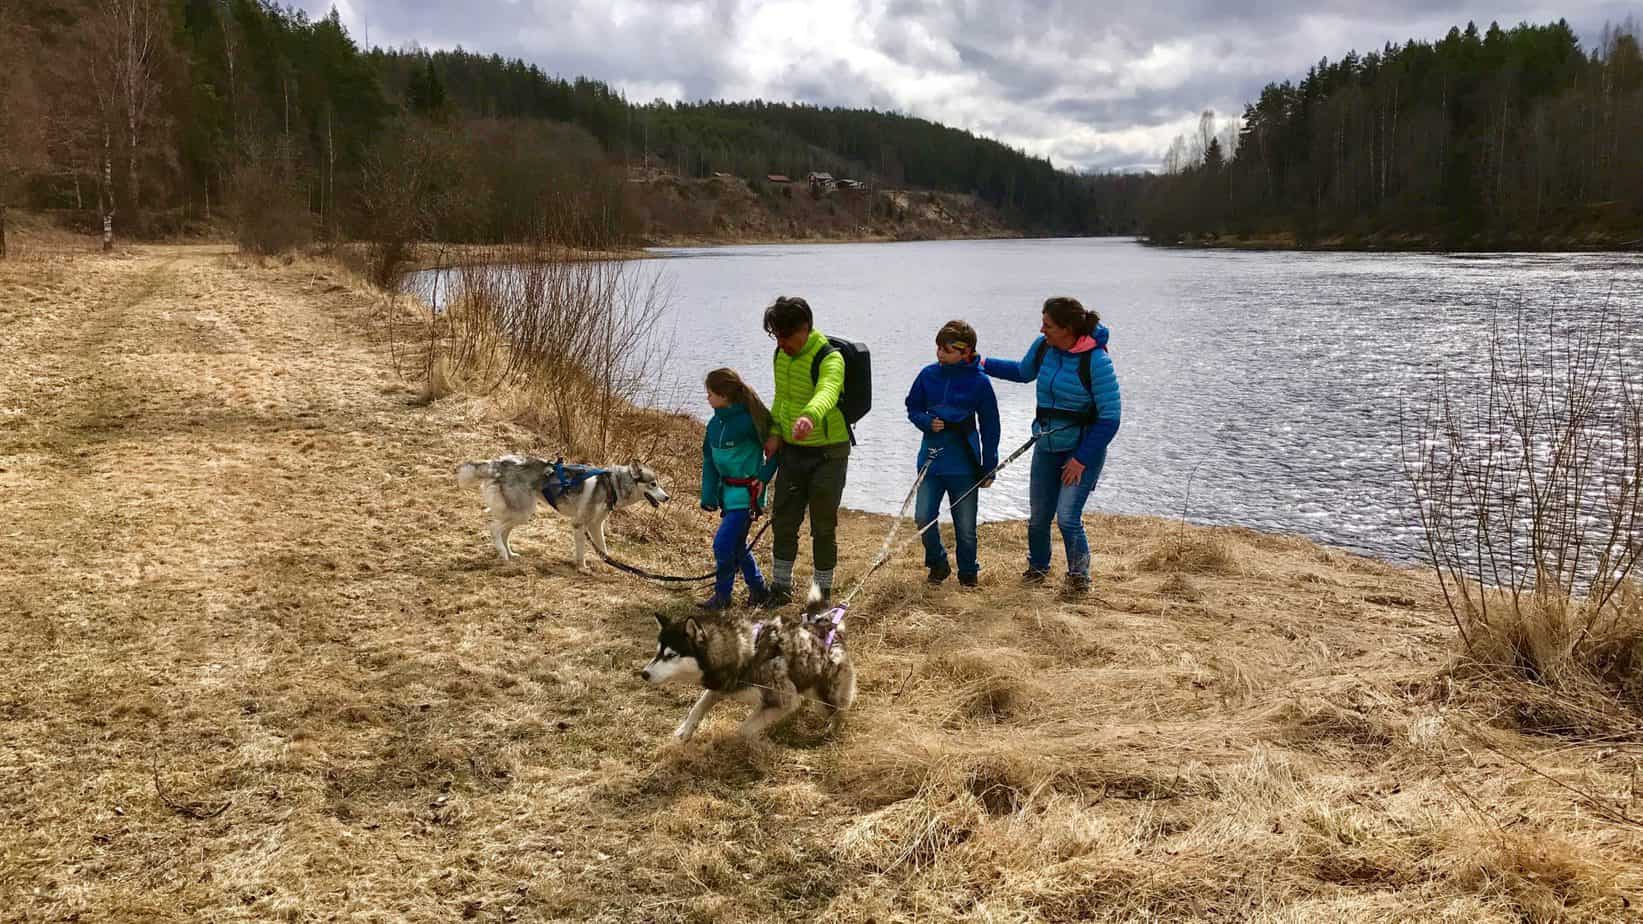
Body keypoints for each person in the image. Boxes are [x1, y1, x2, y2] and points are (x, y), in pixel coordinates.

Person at [981, 296, 1121, 596]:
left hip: (1082, 449)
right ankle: (1038, 568)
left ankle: (1079, 577)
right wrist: (980, 363)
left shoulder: (1096, 360)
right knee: (1038, 518)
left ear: (1067, 328)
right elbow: (1022, 372)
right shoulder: (1044, 347)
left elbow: (1110, 419)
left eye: (1048, 325)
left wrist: (1081, 459)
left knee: (1068, 517)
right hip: (1046, 444)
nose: (1041, 329)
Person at [761, 295, 850, 607]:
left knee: (823, 526)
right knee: (783, 519)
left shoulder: (830, 358)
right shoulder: (780, 356)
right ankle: (780, 587)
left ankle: (820, 595)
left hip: (829, 453)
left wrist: (809, 416)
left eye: (786, 335)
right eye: (776, 335)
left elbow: (828, 391)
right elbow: (780, 399)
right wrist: (774, 433)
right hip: (793, 452)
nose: (781, 342)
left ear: (805, 328)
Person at [904, 320, 1000, 587]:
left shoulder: (980, 383)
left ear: (965, 351)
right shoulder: (927, 375)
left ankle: (968, 574)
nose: (939, 354)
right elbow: (912, 407)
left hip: (965, 466)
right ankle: (938, 563)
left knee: (966, 528)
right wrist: (925, 421)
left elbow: (991, 424)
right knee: (923, 517)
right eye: (937, 348)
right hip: (931, 463)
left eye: (946, 350)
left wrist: (989, 464)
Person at [700, 368, 780, 610]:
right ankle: (758, 590)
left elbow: (777, 452)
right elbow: (709, 461)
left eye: (711, 393)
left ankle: (723, 596)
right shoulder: (714, 425)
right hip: (728, 495)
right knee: (736, 545)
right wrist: (708, 494)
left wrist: (764, 478)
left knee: (723, 544)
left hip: (748, 495)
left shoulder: (749, 421)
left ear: (724, 395)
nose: (708, 398)